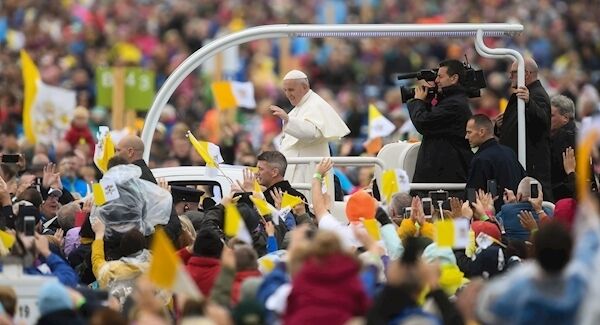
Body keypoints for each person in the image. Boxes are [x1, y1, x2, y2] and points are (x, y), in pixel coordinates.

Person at [270, 70, 350, 194]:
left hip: (308, 171)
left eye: (291, 90)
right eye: (285, 90)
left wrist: (288, 120)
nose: (288, 94)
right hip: (295, 170)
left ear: (305, 87)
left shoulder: (315, 105)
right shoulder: (298, 108)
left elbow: (312, 133)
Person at [406, 59, 473, 195]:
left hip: (445, 173)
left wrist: (418, 102)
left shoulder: (454, 104)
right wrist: (429, 100)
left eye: (440, 76)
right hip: (440, 171)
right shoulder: (450, 101)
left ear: (454, 78)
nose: (436, 80)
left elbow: (423, 122)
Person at [496, 57, 553, 202]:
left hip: (531, 165)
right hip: (519, 162)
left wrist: (529, 103)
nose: (510, 76)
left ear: (526, 74)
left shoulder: (537, 95)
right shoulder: (520, 95)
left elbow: (543, 122)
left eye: (514, 72)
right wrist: (500, 125)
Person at [465, 114, 526, 210]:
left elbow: (472, 194)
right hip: (517, 212)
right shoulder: (509, 152)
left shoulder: (481, 159)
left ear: (481, 132)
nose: (466, 137)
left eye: (469, 132)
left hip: (494, 216)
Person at [549, 95, 577, 200]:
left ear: (565, 118)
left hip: (563, 197)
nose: (546, 118)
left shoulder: (564, 139)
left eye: (551, 115)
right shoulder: (579, 135)